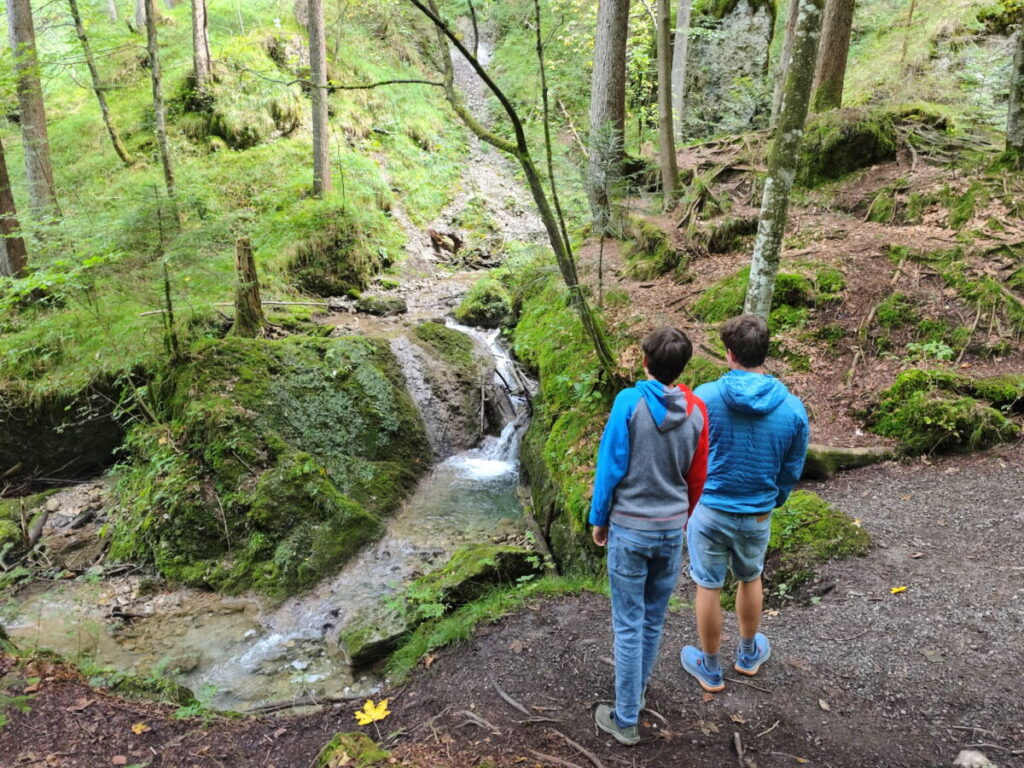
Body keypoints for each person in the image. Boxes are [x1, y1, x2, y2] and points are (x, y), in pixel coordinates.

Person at [590, 326, 709, 746]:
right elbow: (698, 477)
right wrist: (682, 518)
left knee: (627, 623)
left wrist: (598, 519)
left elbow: (610, 467)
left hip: (629, 529)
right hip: (669, 531)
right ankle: (635, 693)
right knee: (653, 619)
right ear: (681, 367)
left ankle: (625, 718)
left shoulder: (628, 402)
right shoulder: (697, 410)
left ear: (645, 362)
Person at [680, 314, 809, 692]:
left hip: (709, 508)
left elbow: (686, 453)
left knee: (708, 584)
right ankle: (749, 654)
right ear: (765, 353)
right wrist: (775, 499)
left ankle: (710, 666)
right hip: (756, 512)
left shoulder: (703, 397)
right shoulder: (792, 408)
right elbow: (792, 465)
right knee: (750, 576)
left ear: (729, 353)